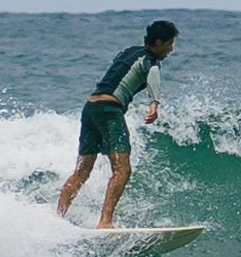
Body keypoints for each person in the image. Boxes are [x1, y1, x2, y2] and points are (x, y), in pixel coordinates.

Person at [57, 20, 178, 228]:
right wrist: (154, 104)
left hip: (90, 108)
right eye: (169, 44)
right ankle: (105, 222)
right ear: (158, 42)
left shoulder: (128, 52)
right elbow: (153, 74)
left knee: (82, 170)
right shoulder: (150, 60)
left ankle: (58, 217)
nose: (171, 49)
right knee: (123, 169)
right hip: (109, 110)